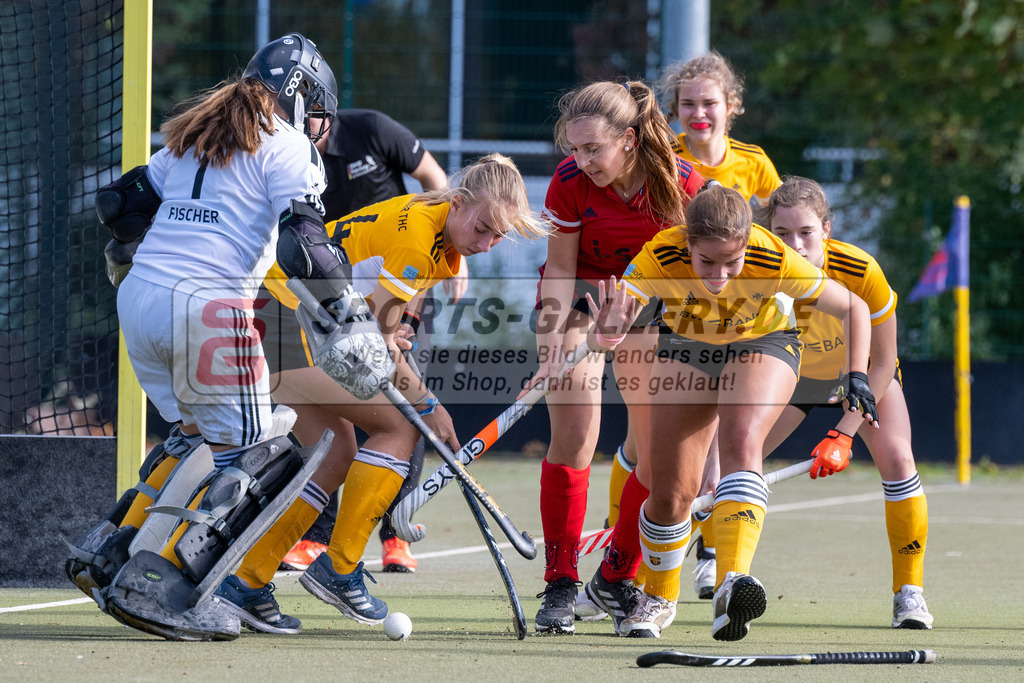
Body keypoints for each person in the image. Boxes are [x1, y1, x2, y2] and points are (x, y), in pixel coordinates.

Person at [62, 34, 396, 641]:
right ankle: (166, 587)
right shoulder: (290, 144)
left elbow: (119, 203)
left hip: (140, 302)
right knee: (261, 456)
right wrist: (349, 316)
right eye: (316, 109)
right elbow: (304, 240)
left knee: (194, 437)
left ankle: (108, 551)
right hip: (210, 310)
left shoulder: (197, 137)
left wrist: (128, 253)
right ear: (298, 99)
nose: (320, 124)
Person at [213, 153, 549, 634]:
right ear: (458, 203)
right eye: (483, 228)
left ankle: (244, 583)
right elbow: (377, 357)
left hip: (290, 321)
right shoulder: (418, 241)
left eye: (498, 236)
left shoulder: (440, 235)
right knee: (396, 427)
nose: (488, 243)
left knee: (333, 456)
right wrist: (429, 406)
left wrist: (397, 344)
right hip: (288, 322)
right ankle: (341, 568)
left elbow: (384, 333)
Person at [582, 184, 877, 640]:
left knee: (741, 442)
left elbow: (854, 306)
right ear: (688, 245)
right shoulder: (661, 254)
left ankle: (730, 582)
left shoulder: (772, 255)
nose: (719, 274)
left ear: (747, 242)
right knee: (669, 493)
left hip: (762, 344)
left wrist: (857, 375)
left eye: (731, 262)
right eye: (707, 262)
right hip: (687, 348)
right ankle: (659, 596)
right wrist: (604, 335)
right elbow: (615, 326)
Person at [602, 52, 785, 598]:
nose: (698, 113)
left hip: (733, 312)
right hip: (663, 302)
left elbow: (771, 234)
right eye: (687, 104)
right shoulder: (668, 159)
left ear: (732, 106)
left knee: (721, 451)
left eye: (709, 103)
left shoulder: (754, 163)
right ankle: (625, 558)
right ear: (674, 111)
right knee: (648, 445)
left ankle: (708, 554)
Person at [530, 79, 704, 635]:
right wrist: (556, 340)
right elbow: (559, 268)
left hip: (649, 313)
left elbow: (695, 275)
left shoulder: (683, 188)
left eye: (593, 150)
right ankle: (559, 582)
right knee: (575, 436)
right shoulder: (570, 182)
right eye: (574, 150)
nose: (582, 161)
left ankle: (614, 575)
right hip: (580, 299)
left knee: (655, 459)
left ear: (629, 140)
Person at [277, 107, 449, 575]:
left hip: (398, 280)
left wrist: (457, 247)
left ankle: (396, 533)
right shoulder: (291, 160)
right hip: (332, 298)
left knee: (401, 407)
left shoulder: (371, 129)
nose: (301, 129)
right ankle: (319, 541)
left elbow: (435, 180)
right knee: (393, 412)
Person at [755, 176, 932, 629]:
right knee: (734, 460)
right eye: (783, 234)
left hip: (864, 375)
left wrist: (843, 432)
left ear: (827, 229)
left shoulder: (860, 270)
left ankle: (909, 593)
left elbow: (885, 359)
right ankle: (686, 574)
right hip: (796, 377)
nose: (794, 244)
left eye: (805, 232)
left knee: (897, 459)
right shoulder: (756, 269)